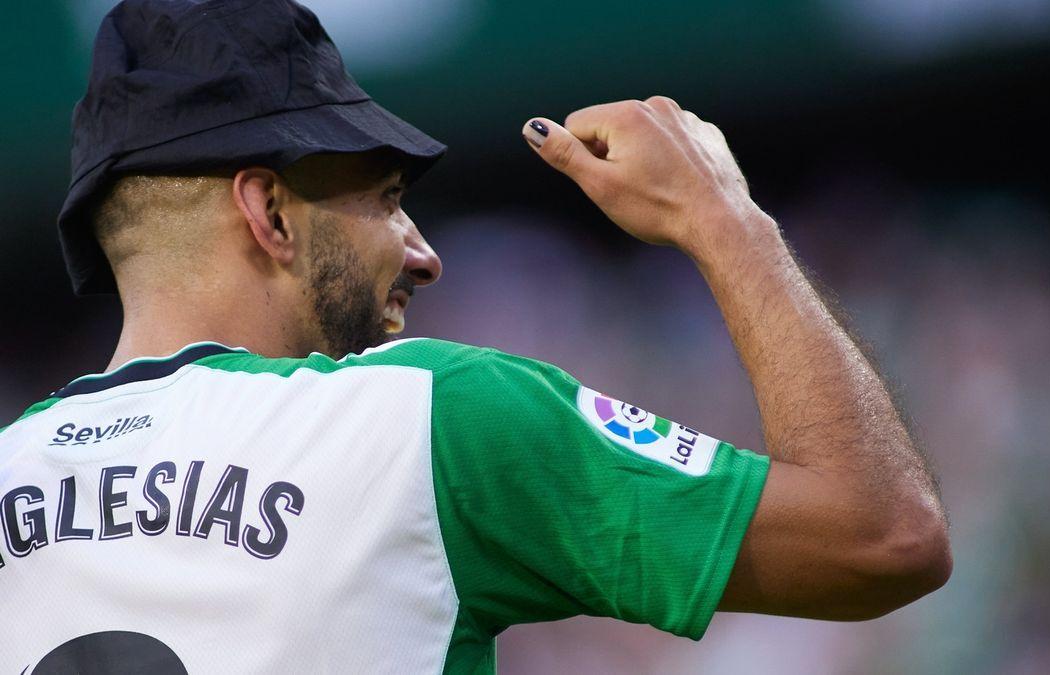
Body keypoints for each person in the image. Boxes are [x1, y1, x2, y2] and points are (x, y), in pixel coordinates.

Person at [0, 0, 951, 672]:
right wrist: (728, 219)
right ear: (269, 213)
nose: (423, 253)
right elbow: (885, 537)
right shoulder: (425, 418)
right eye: (384, 199)